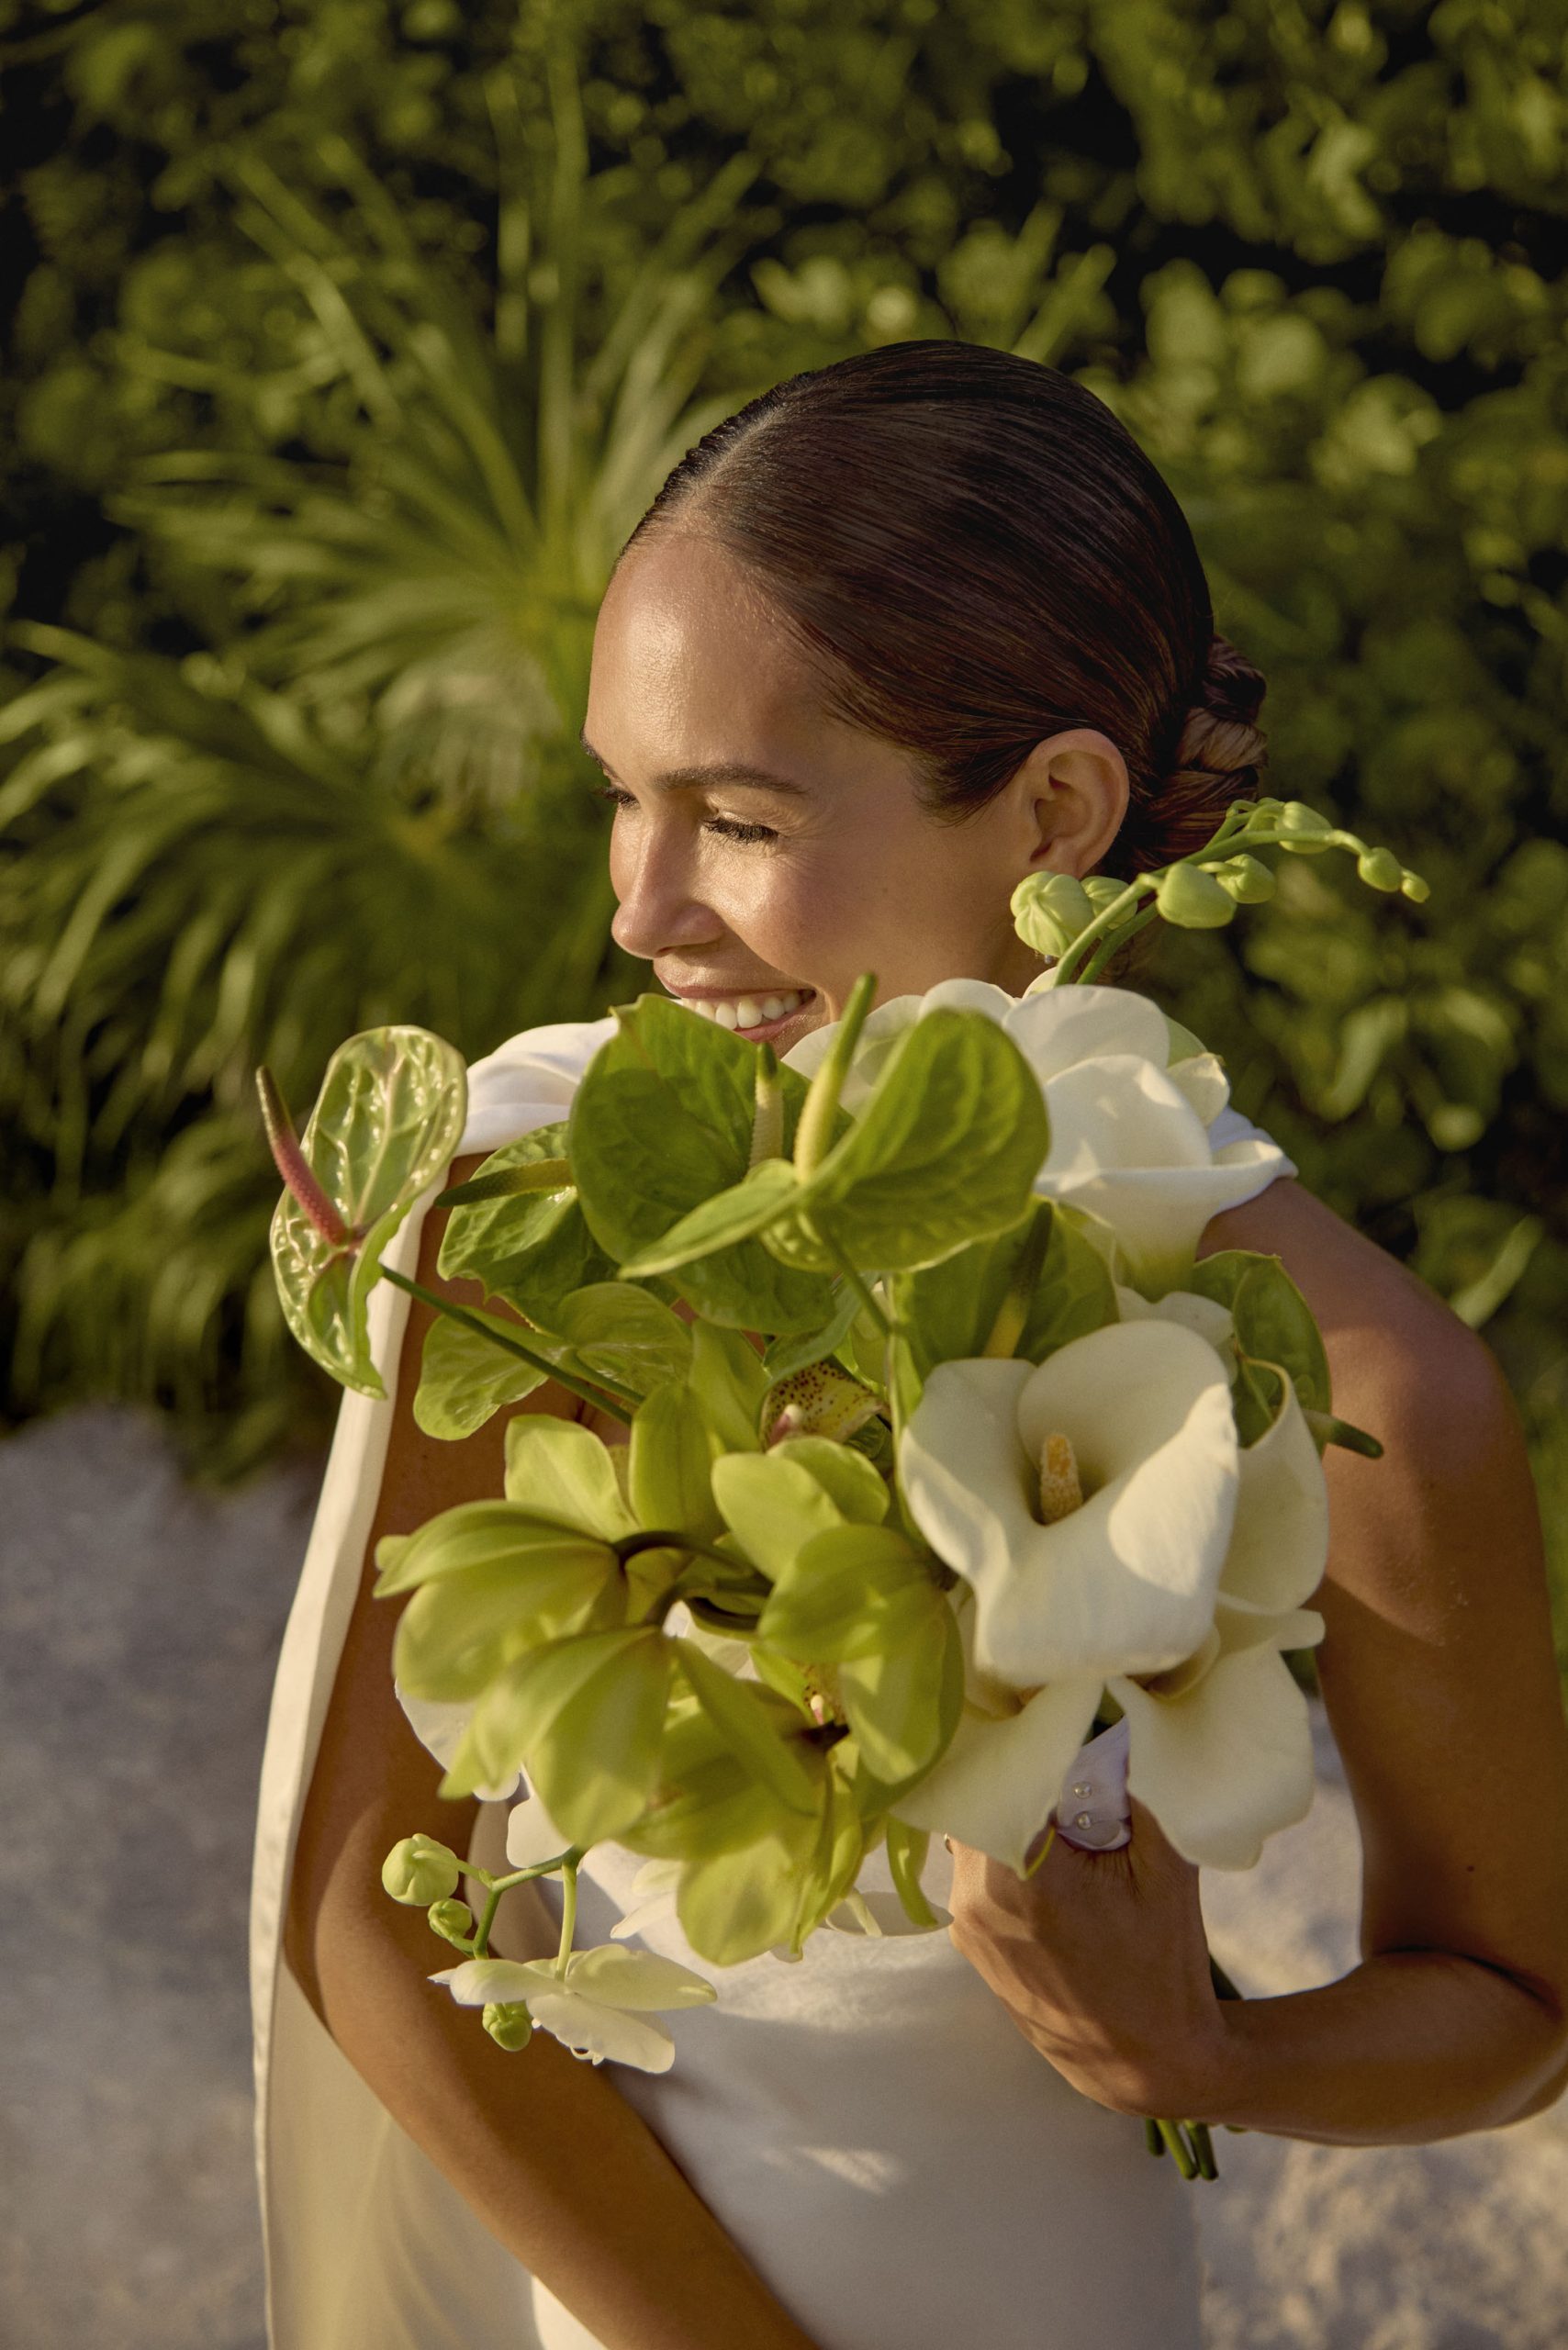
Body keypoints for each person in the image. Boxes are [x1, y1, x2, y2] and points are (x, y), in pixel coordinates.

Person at [252, 342, 1568, 2350]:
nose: (641, 909)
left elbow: (1511, 2009)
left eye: (739, 816)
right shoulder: (532, 1222)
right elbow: (362, 1912)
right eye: (623, 798)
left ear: (1052, 806)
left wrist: (1205, 2051)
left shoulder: (1370, 1382)